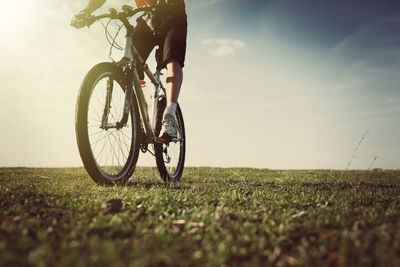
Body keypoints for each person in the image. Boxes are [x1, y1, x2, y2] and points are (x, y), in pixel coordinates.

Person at [71, 0, 187, 139]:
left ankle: (170, 116)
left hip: (173, 16)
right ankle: (143, 104)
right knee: (131, 62)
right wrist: (86, 12)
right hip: (148, 18)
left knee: (172, 60)